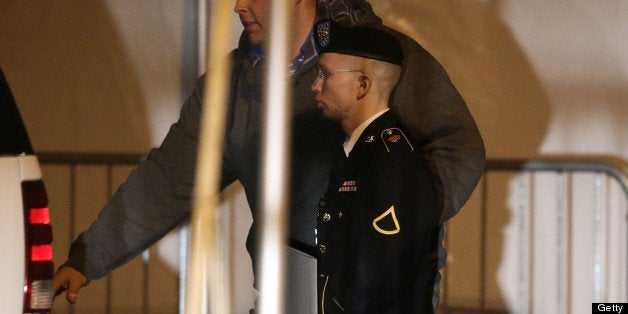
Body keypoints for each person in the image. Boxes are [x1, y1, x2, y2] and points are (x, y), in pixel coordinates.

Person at [53, 0, 485, 310]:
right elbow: (166, 182)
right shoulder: (228, 87)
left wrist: (391, 227)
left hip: (380, 294)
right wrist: (87, 257)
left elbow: (457, 148)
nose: (240, 6)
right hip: (287, 289)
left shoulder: (382, 59)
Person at [312, 20, 440, 313]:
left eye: (325, 74)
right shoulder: (355, 152)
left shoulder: (391, 163)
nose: (315, 84)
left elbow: (379, 281)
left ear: (363, 84)